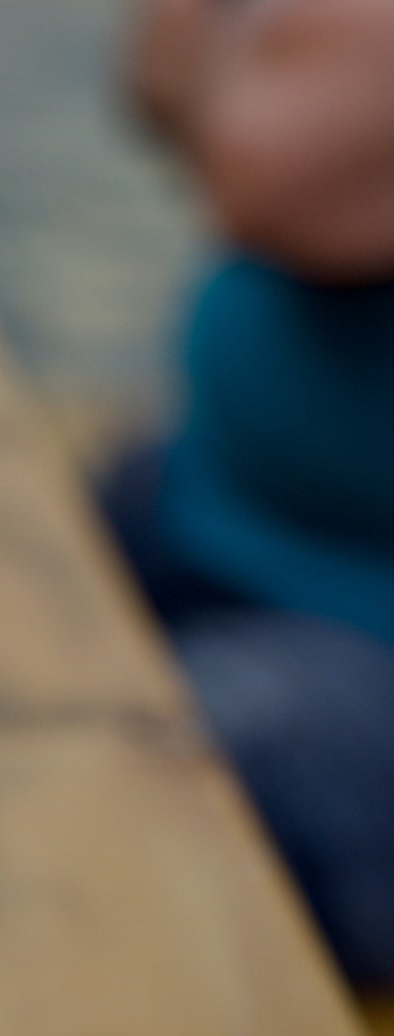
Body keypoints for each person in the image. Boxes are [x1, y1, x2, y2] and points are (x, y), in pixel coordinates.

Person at [114, 0, 394, 982]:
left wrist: (249, 46)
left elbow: (271, 154)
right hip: (236, 501)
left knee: (126, 790)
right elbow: (152, 75)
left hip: (365, 631)